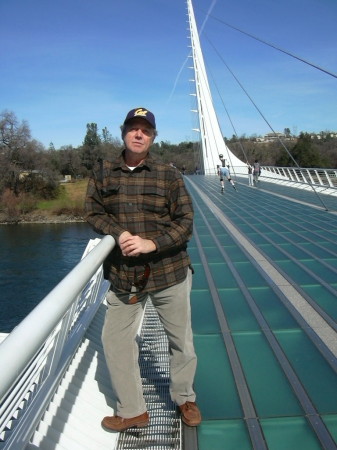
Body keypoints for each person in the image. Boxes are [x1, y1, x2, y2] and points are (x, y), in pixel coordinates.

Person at [85, 107, 201, 432]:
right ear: (123, 132)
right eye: (134, 128)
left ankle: (185, 398)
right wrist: (119, 233)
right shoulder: (104, 171)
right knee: (115, 340)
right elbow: (92, 212)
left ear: (152, 137)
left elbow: (186, 223)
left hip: (169, 272)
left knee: (181, 341)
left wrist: (153, 244)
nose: (139, 134)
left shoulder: (168, 174)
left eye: (145, 130)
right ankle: (133, 410)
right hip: (125, 277)